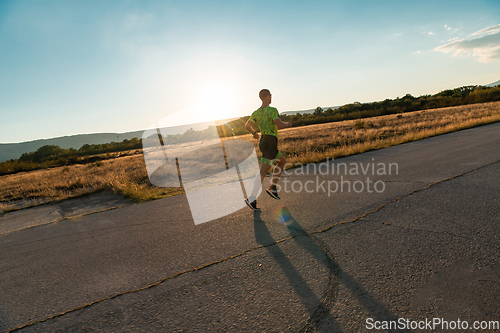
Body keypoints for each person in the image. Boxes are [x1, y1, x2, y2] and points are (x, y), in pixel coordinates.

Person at [244, 89, 292, 211]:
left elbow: (247, 126)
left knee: (281, 162)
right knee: (262, 172)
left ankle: (272, 188)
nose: (271, 97)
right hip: (271, 142)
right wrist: (288, 124)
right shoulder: (273, 110)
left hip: (263, 141)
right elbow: (280, 125)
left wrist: (254, 133)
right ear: (266, 96)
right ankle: (252, 198)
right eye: (270, 95)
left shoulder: (256, 112)